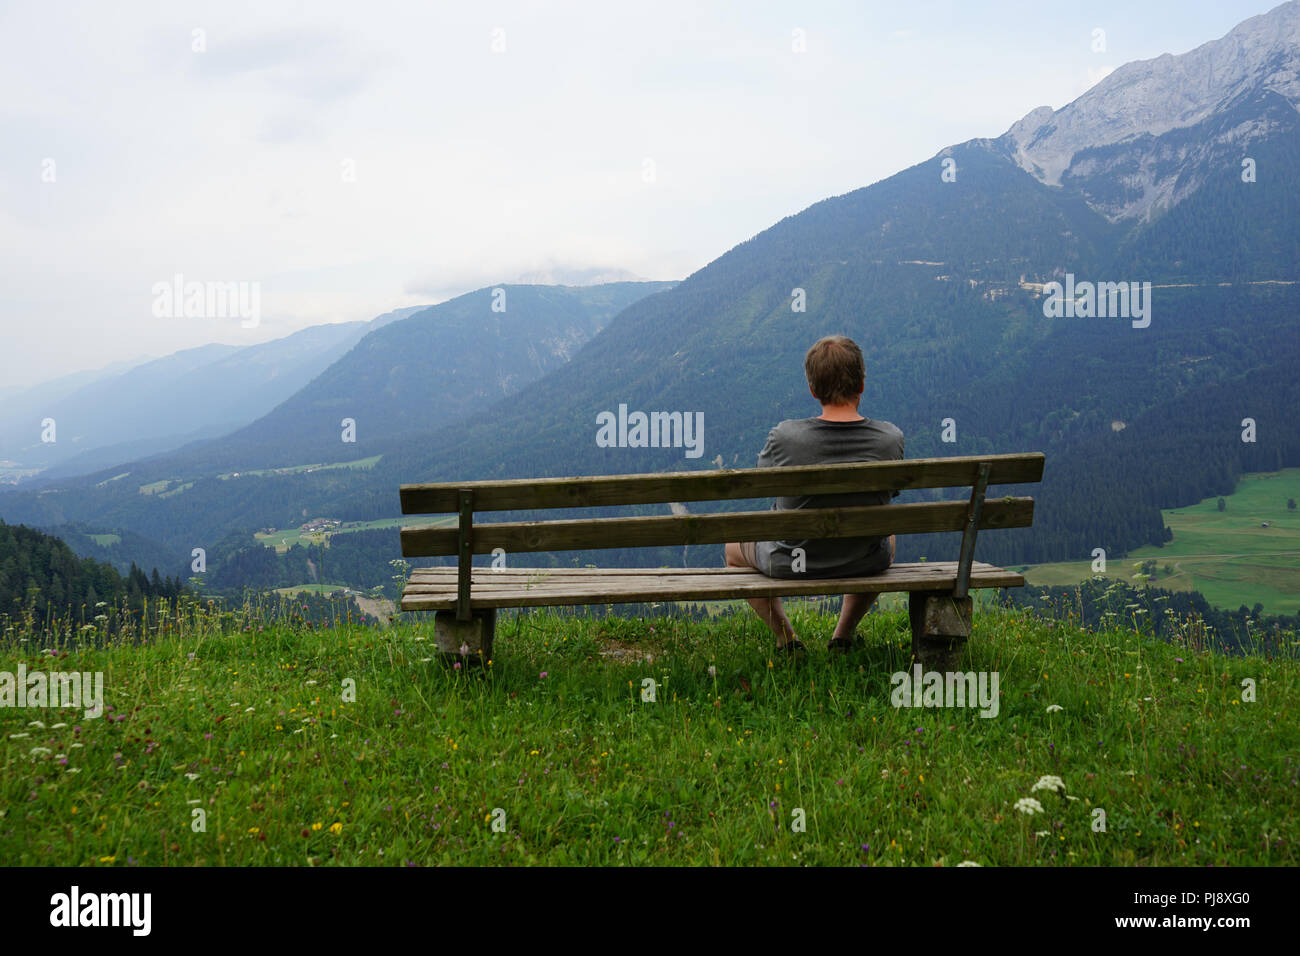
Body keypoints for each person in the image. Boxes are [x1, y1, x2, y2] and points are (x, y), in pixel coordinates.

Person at [724, 335, 903, 658]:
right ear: (862, 385)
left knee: (732, 548)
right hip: (863, 560)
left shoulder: (785, 437)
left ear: (812, 389)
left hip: (789, 562)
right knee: (887, 534)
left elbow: (762, 484)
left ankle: (787, 640)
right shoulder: (890, 439)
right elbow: (890, 492)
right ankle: (842, 637)